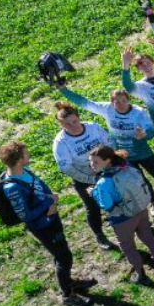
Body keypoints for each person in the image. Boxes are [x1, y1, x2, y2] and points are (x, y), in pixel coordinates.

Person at [58, 84, 154, 216]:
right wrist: (64, 90)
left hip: (143, 153)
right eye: (116, 102)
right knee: (140, 180)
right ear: (111, 102)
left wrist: (143, 135)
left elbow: (152, 131)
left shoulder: (138, 112)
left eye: (123, 101)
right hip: (122, 156)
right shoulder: (107, 109)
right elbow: (85, 102)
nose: (119, 105)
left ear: (129, 100)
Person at [0, 140, 96, 306]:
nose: (29, 153)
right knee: (64, 258)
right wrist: (48, 204)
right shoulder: (12, 188)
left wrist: (51, 201)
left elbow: (39, 187)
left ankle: (69, 281)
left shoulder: (24, 170)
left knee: (62, 253)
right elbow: (24, 216)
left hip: (51, 217)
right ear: (20, 159)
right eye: (26, 153)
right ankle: (67, 294)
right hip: (43, 226)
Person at [89, 146, 154, 285]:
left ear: (107, 161)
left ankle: (141, 275)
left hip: (122, 218)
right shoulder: (127, 165)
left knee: (128, 246)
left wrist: (94, 193)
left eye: (96, 162)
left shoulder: (103, 182)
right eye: (91, 162)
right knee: (148, 236)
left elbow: (107, 206)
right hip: (141, 209)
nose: (92, 165)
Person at [51, 102, 117, 250]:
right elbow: (66, 167)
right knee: (93, 208)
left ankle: (126, 220)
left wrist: (110, 164)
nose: (72, 126)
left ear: (79, 117)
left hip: (106, 169)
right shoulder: (60, 142)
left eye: (74, 121)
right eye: (66, 124)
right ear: (61, 125)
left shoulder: (93, 127)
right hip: (85, 178)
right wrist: (91, 179)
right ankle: (99, 235)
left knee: (118, 195)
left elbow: (109, 143)